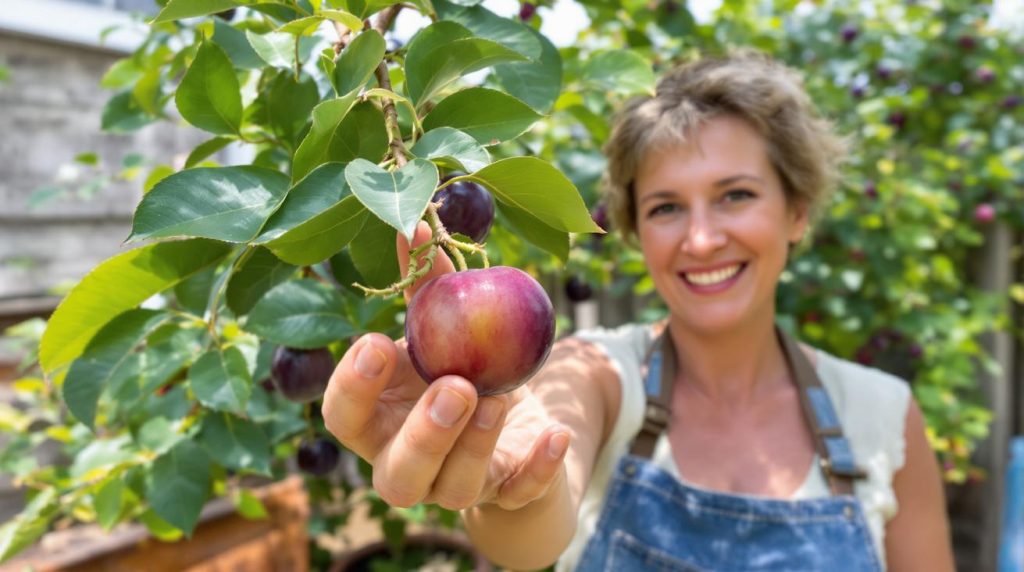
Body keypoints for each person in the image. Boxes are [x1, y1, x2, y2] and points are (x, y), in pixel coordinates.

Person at [321, 50, 955, 571]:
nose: (701, 239)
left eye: (735, 195)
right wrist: (511, 487)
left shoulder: (883, 414)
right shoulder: (595, 372)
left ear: (796, 211)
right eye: (665, 208)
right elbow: (531, 514)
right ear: (635, 231)